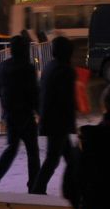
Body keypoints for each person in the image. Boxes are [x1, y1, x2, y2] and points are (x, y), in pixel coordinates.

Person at [0, 32, 41, 193]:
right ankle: (34, 185)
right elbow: (33, 92)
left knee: (11, 148)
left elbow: (0, 89)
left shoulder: (3, 66)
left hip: (9, 113)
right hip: (25, 114)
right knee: (32, 151)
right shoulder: (27, 68)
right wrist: (38, 111)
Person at [29, 36, 79, 195]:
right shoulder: (65, 70)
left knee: (69, 158)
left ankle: (76, 189)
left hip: (51, 119)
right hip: (59, 121)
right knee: (53, 159)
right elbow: (66, 99)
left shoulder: (50, 67)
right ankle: (38, 190)